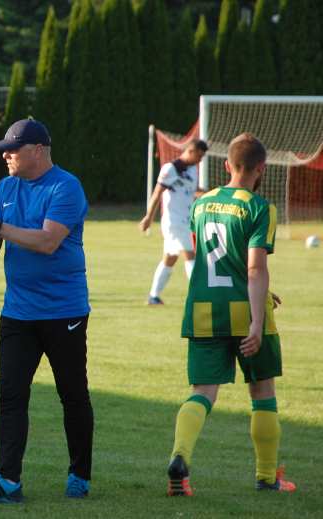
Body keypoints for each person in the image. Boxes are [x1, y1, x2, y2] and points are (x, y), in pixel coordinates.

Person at [0, 119, 93, 503]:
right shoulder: (5, 188)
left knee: (72, 394)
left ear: (38, 149)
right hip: (18, 311)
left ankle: (80, 474)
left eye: (12, 149)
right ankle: (8, 481)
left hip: (63, 311)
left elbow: (49, 241)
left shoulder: (65, 187)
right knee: (11, 394)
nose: (5, 155)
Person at [166, 133, 295, 497]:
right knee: (262, 391)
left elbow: (215, 259)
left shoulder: (201, 204)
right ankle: (267, 477)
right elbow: (252, 269)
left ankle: (180, 457)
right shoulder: (260, 208)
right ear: (261, 168)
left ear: (226, 165)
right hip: (245, 313)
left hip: (204, 310)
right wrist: (257, 318)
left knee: (203, 392)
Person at [139, 139, 208, 305]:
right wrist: (148, 217)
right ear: (191, 151)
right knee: (191, 254)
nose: (200, 160)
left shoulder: (192, 169)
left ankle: (153, 296)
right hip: (174, 220)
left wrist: (209, 193)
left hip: (186, 219)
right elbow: (157, 194)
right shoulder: (170, 169)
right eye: (199, 156)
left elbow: (191, 191)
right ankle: (199, 296)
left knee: (170, 258)